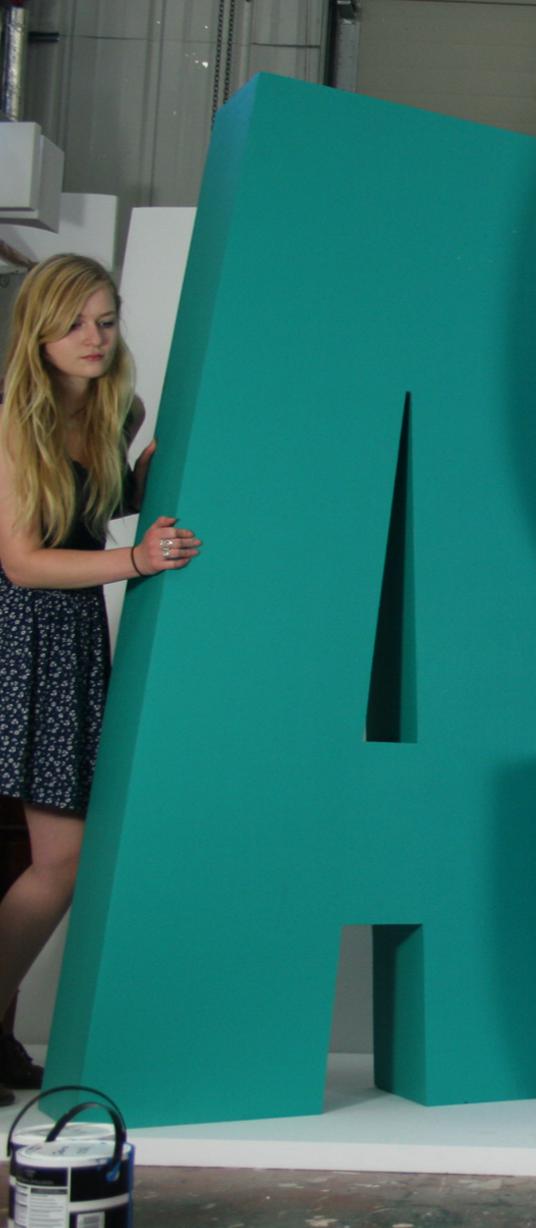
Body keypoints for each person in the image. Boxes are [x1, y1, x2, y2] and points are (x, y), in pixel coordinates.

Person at [0, 255, 199, 1103]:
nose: (92, 338)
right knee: (63, 858)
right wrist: (134, 560)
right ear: (38, 330)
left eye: (106, 321)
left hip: (75, 642)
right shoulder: (14, 422)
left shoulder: (118, 411)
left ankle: (0, 1041)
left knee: (35, 855)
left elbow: (85, 512)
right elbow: (22, 562)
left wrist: (144, 486)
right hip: (21, 641)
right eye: (75, 322)